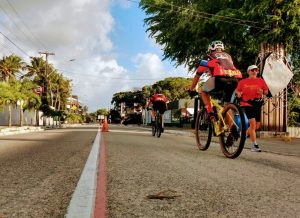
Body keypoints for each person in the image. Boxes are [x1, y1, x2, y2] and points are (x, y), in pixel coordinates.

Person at [189, 40, 242, 121]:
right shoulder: (228, 56)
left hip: (219, 80)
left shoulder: (208, 56)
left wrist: (192, 89)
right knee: (227, 106)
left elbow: (198, 75)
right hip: (234, 80)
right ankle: (232, 130)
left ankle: (211, 113)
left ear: (210, 49)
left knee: (203, 91)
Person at [236, 65, 269, 152]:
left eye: (256, 70)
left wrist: (262, 91)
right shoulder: (243, 82)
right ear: (248, 72)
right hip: (247, 103)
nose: (255, 72)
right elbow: (238, 90)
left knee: (257, 126)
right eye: (252, 70)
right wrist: (239, 93)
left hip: (257, 103)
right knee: (253, 125)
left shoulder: (261, 81)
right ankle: (254, 145)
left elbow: (266, 92)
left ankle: (243, 134)